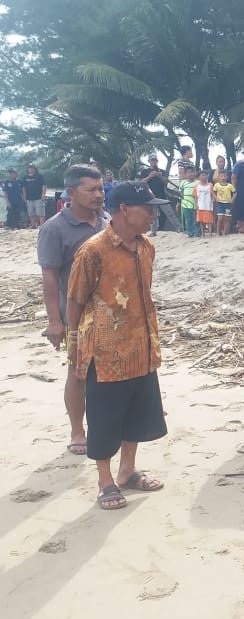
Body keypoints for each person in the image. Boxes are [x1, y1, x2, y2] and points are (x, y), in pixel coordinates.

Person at [66, 181, 169, 510]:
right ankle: (105, 481)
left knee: (137, 414)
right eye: (147, 209)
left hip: (141, 346)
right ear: (124, 210)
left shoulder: (147, 247)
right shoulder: (93, 250)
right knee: (105, 418)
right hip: (106, 352)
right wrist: (74, 343)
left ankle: (127, 471)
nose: (153, 214)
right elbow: (75, 300)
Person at [37, 165, 108, 456]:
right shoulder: (54, 229)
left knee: (111, 373)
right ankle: (78, 430)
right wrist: (55, 321)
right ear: (70, 193)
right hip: (77, 317)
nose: (98, 194)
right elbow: (50, 277)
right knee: (79, 373)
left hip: (111, 315)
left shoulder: (106, 221)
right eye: (91, 189)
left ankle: (106, 426)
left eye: (101, 188)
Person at [141, 155, 174, 234]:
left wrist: (160, 176)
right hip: (150, 196)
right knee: (152, 215)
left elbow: (166, 183)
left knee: (169, 213)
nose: (153, 162)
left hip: (162, 196)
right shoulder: (145, 171)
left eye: (155, 160)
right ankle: (153, 231)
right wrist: (149, 176)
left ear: (157, 161)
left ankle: (178, 228)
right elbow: (141, 182)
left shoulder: (162, 171)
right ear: (149, 161)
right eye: (152, 160)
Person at [213, 172, 235, 236]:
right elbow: (213, 192)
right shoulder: (216, 185)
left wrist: (232, 199)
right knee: (220, 219)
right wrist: (215, 198)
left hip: (228, 204)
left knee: (227, 219)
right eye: (221, 176)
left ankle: (225, 232)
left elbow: (235, 193)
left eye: (224, 176)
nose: (223, 178)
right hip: (220, 204)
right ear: (218, 177)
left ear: (227, 177)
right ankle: (218, 232)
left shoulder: (230, 185)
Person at [195, 170, 215, 236]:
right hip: (200, 205)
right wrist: (196, 204)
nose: (204, 176)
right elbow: (196, 196)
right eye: (202, 175)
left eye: (205, 175)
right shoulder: (197, 186)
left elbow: (212, 194)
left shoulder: (210, 185)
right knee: (201, 220)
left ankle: (210, 233)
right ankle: (203, 233)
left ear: (207, 176)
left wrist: (214, 198)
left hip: (208, 205)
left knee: (209, 220)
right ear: (199, 177)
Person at [179, 165, 198, 237]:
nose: (191, 174)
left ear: (195, 173)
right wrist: (184, 198)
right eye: (188, 172)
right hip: (185, 205)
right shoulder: (183, 182)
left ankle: (197, 233)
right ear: (185, 174)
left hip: (196, 204)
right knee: (188, 220)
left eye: (192, 172)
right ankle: (190, 233)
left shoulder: (198, 182)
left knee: (196, 220)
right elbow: (180, 191)